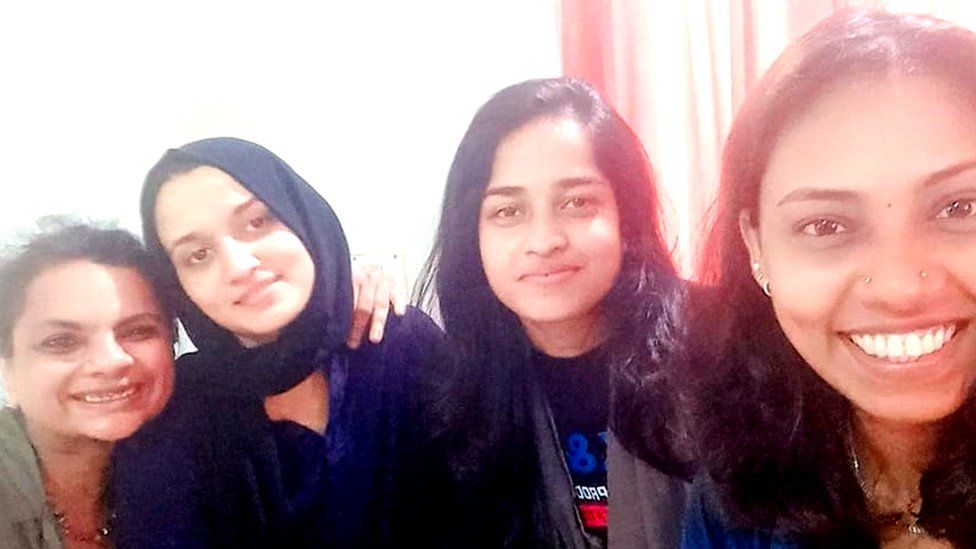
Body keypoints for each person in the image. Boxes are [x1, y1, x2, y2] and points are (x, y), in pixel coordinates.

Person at [681, 10, 976, 548]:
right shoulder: (739, 487)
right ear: (756, 248)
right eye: (826, 225)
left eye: (959, 207)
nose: (900, 289)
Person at [111, 137, 449, 548]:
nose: (238, 266)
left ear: (302, 218)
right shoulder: (175, 416)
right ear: (177, 284)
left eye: (257, 222)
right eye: (198, 255)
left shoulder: (400, 344)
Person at [415, 77, 689, 548]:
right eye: (508, 211)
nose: (544, 241)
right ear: (472, 234)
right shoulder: (457, 390)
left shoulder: (720, 354)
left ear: (626, 216)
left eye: (577, 202)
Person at [0, 223, 175, 548]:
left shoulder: (188, 465)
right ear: (7, 369)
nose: (112, 360)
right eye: (61, 341)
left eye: (138, 331)